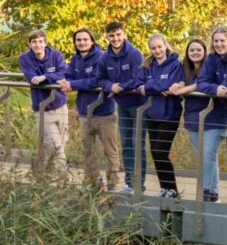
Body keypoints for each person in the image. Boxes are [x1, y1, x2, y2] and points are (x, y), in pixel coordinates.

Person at [60, 28, 122, 189]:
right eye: (78, 40)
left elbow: (96, 80)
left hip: (104, 113)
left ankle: (113, 183)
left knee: (110, 150)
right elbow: (68, 76)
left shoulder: (102, 58)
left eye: (85, 39)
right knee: (87, 150)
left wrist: (73, 84)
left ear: (92, 41)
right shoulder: (75, 59)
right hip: (83, 112)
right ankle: (94, 183)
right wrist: (69, 82)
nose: (81, 42)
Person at [96, 21, 145, 192]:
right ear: (107, 37)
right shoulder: (104, 57)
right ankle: (130, 184)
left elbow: (138, 78)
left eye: (118, 35)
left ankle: (140, 184)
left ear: (124, 34)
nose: (115, 38)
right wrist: (110, 86)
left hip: (139, 105)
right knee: (126, 144)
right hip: (121, 105)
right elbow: (99, 79)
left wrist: (121, 86)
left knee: (137, 143)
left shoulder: (135, 54)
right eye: (111, 36)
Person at [195, 27, 227, 203]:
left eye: (223, 40)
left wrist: (222, 87)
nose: (219, 44)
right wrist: (215, 88)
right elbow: (201, 82)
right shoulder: (212, 59)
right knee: (208, 152)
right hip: (216, 112)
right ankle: (210, 192)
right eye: (216, 41)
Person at [136, 34, 184, 198]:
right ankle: (164, 188)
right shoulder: (148, 65)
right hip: (152, 113)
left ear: (165, 45)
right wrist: (152, 86)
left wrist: (148, 85)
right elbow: (138, 84)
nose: (157, 51)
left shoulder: (176, 64)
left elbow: (169, 86)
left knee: (160, 151)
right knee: (154, 152)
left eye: (159, 46)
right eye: (153, 48)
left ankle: (173, 189)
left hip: (170, 115)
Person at [18, 29, 69, 173]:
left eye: (40, 41)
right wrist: (53, 77)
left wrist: (45, 77)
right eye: (34, 42)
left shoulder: (56, 55)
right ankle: (66, 180)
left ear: (45, 43)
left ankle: (44, 177)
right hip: (42, 109)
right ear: (29, 44)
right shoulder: (25, 59)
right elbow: (32, 78)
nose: (38, 45)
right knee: (55, 146)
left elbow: (65, 72)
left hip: (61, 105)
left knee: (60, 145)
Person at [171, 38, 215, 200]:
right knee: (203, 154)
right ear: (187, 54)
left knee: (208, 154)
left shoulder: (209, 67)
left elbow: (203, 84)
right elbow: (179, 82)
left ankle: (208, 191)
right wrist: (178, 85)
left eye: (198, 50)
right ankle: (213, 190)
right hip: (192, 116)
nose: (195, 53)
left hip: (210, 116)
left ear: (204, 52)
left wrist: (185, 89)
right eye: (192, 50)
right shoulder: (185, 70)